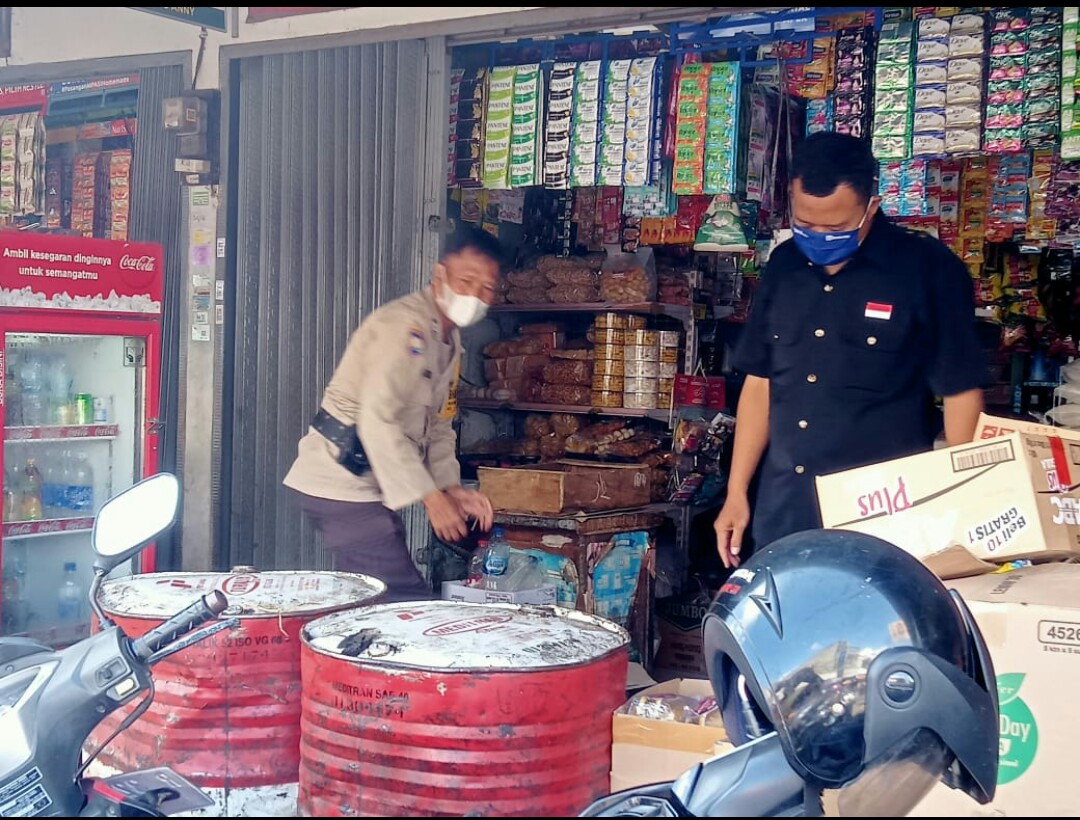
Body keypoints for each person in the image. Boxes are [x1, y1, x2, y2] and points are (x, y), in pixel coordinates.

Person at [714, 132, 987, 569]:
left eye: (836, 228)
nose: (819, 237)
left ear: (871, 207)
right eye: (806, 224)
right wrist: (737, 492)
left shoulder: (927, 270)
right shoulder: (784, 266)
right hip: (784, 510)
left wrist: (964, 500)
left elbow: (960, 391)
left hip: (882, 516)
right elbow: (761, 383)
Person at [284, 228, 503, 602]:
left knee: (374, 597)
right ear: (439, 275)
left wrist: (451, 488)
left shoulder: (449, 341)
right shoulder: (405, 328)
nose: (475, 296)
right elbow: (377, 420)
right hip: (341, 479)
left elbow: (440, 425)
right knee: (401, 598)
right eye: (466, 281)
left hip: (367, 485)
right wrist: (432, 499)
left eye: (486, 288)